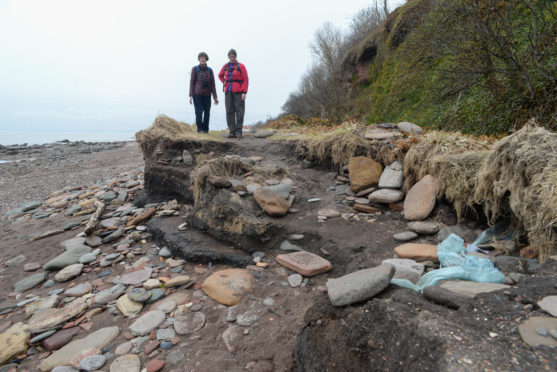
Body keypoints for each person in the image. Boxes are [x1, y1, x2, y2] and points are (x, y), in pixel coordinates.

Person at [218, 49, 249, 138]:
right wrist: (224, 81)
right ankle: (232, 131)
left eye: (233, 56)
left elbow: (246, 79)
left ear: (236, 56)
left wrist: (244, 92)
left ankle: (239, 131)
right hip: (228, 91)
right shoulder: (225, 66)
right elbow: (220, 75)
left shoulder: (241, 66)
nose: (232, 58)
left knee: (239, 111)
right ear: (228, 57)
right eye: (230, 57)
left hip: (239, 91)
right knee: (229, 111)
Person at [189, 52, 218, 133]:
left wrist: (215, 97)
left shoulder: (210, 70)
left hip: (207, 95)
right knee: (199, 112)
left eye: (203, 57)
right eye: (201, 57)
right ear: (199, 59)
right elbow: (192, 82)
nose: (202, 59)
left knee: (207, 113)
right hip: (197, 94)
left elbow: (213, 85)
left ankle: (205, 130)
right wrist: (191, 95)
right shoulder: (195, 69)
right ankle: (200, 129)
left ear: (206, 59)